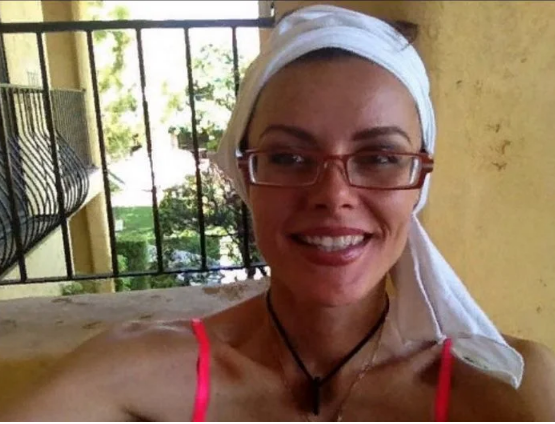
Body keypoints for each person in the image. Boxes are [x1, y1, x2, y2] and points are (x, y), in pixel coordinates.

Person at [1, 4, 555, 422]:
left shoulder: (507, 389)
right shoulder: (136, 377)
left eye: (380, 158)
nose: (334, 195)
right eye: (289, 157)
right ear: (245, 176)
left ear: (419, 183)